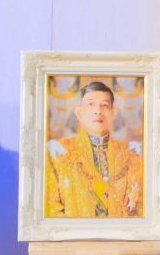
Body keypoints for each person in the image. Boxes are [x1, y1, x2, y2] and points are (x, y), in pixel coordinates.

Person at [44, 79, 144, 220]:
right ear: (79, 112)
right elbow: (50, 208)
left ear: (113, 112)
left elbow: (140, 209)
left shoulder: (131, 155)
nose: (98, 111)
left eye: (104, 105)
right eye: (90, 104)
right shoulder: (58, 153)